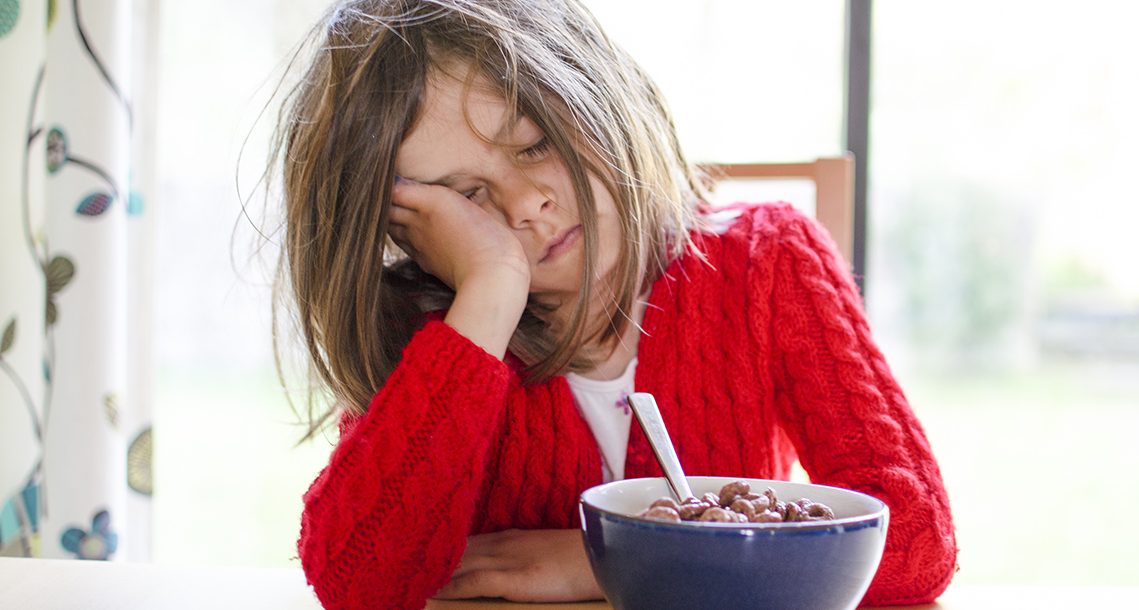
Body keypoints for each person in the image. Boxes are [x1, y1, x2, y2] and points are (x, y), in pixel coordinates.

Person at [271, 1, 957, 608]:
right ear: (407, 232)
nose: (526, 204)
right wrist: (488, 295)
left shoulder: (769, 262)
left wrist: (615, 562)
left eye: (535, 144)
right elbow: (358, 583)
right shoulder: (436, 331)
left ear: (599, 94)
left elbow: (918, 543)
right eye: (467, 197)